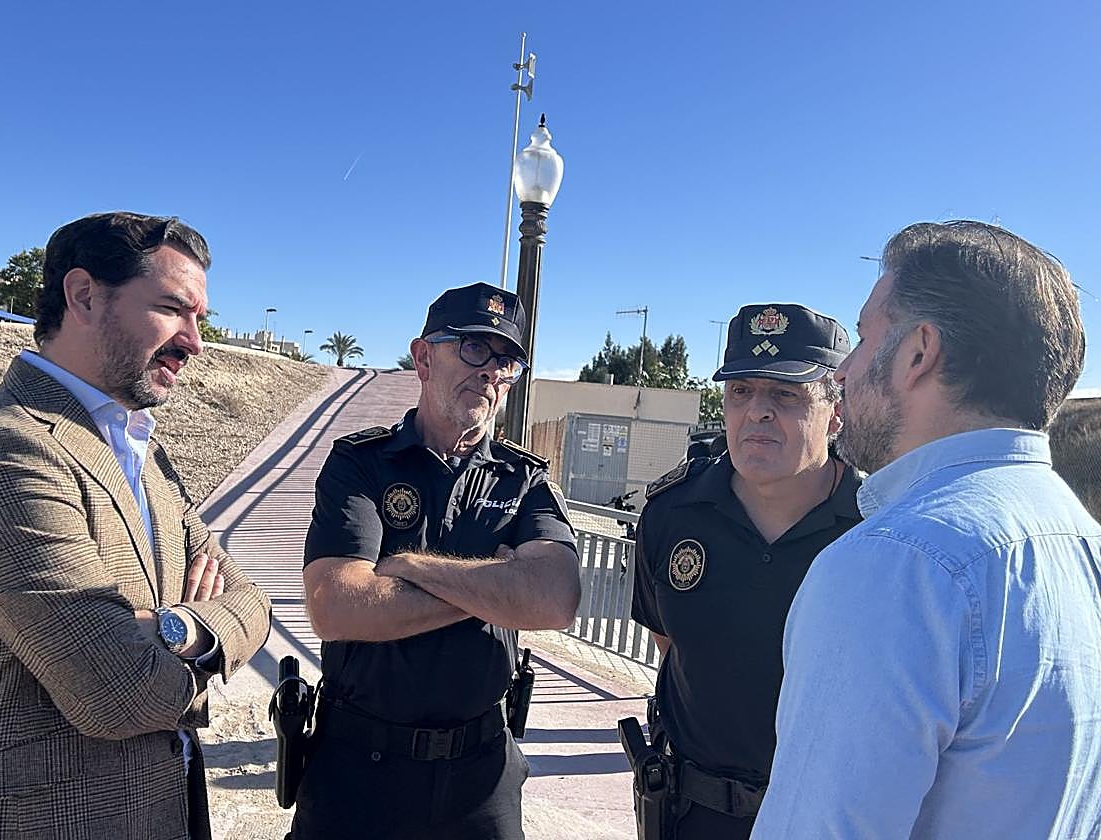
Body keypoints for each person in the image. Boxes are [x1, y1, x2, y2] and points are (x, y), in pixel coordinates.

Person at [0, 212, 272, 840]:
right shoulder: (0, 452)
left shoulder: (141, 450)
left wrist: (177, 629)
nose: (195, 341)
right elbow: (117, 689)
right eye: (171, 308)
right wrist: (194, 630)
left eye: (200, 319)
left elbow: (254, 603)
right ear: (83, 295)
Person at [753, 221, 1101, 838]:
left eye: (862, 339)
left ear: (918, 352)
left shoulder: (896, 564)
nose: (844, 372)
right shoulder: (1083, 542)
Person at [295, 282, 581, 840]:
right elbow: (337, 606)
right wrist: (496, 586)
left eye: (507, 360)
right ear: (423, 357)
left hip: (481, 775)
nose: (491, 372)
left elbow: (554, 599)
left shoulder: (525, 481)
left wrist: (409, 565)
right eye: (474, 348)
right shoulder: (361, 464)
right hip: (359, 768)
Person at [630, 303, 860, 839]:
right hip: (691, 813)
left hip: (827, 818)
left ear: (836, 410)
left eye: (786, 393)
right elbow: (672, 640)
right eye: (741, 391)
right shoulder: (671, 514)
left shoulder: (877, 528)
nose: (757, 411)